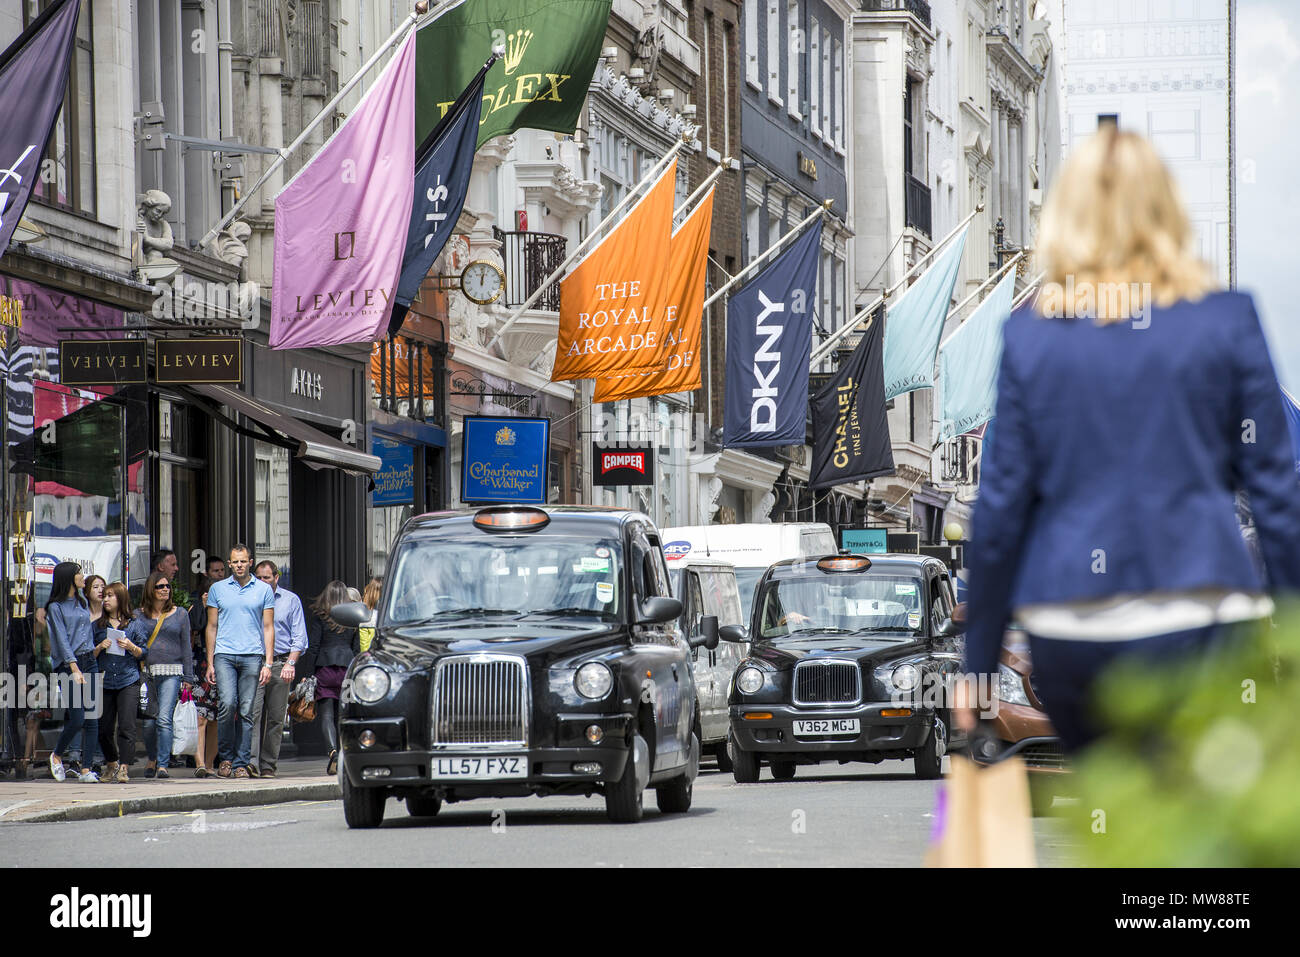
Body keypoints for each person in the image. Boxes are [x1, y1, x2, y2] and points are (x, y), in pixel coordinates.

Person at [960, 127, 1300, 754]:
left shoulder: (1033, 338)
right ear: (1166, 210)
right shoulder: (1227, 320)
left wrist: (977, 667)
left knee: (1116, 802)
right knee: (1197, 806)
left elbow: (1002, 512)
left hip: (1075, 630)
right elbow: (1279, 501)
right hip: (1204, 617)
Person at [205, 544, 274, 778]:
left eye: (243, 561)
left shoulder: (264, 590)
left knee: (246, 710)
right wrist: (210, 662)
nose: (239, 565)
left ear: (250, 562)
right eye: (235, 561)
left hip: (252, 655)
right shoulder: (218, 589)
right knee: (227, 705)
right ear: (229, 563)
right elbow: (211, 626)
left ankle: (241, 763)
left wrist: (269, 662)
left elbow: (268, 627)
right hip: (224, 654)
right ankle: (225, 758)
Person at [129, 571, 196, 778]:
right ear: (151, 589)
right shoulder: (138, 615)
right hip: (146, 672)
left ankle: (163, 765)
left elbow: (187, 647)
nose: (165, 589)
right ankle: (152, 757)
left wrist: (188, 677)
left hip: (172, 672)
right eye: (160, 586)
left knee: (164, 719)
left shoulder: (181, 614)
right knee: (149, 722)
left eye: (167, 586)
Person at [248, 560, 308, 778]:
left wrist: (291, 663)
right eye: (259, 577)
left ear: (276, 577)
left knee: (275, 718)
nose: (263, 581)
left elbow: (300, 637)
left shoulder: (291, 600)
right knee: (252, 714)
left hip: (281, 664)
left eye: (267, 577)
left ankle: (268, 765)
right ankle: (251, 763)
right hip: (255, 662)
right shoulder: (250, 598)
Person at [45, 562, 100, 783]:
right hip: (69, 665)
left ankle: (86, 769)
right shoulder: (55, 607)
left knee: (92, 717)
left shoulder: (81, 600)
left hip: (89, 660)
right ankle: (57, 755)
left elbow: (86, 633)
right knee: (77, 718)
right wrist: (74, 667)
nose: (82, 576)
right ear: (69, 577)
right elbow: (62, 640)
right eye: (79, 573)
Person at [303, 581, 359, 776]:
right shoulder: (352, 619)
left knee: (326, 714)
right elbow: (357, 648)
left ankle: (333, 753)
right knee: (344, 715)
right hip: (347, 670)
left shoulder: (320, 617)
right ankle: (345, 752)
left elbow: (314, 647)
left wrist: (309, 675)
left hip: (325, 669)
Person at [93, 582, 140, 783]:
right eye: (104, 596)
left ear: (120, 598)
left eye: (110, 595)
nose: (105, 599)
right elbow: (89, 654)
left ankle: (124, 767)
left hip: (128, 679)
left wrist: (130, 646)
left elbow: (143, 652)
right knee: (103, 727)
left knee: (126, 726)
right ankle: (111, 762)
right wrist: (99, 647)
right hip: (105, 680)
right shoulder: (97, 626)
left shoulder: (134, 623)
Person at [190, 585, 219, 777]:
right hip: (198, 666)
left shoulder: (225, 611)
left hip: (220, 664)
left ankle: (209, 763)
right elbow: (196, 627)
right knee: (199, 716)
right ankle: (199, 763)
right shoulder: (195, 609)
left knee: (215, 718)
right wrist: (201, 605)